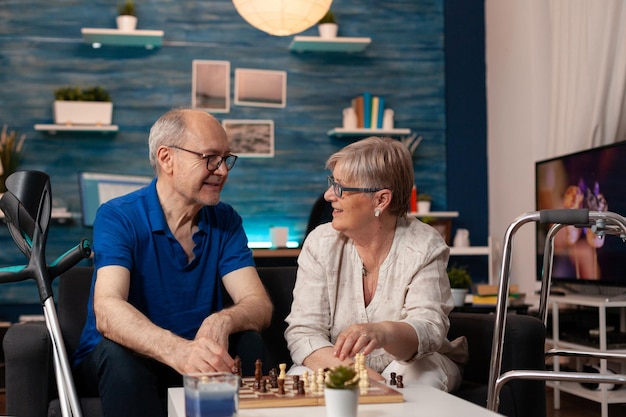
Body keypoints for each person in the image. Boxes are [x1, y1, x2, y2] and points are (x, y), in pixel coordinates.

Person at [72, 108, 273, 417]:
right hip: (127, 358)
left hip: (197, 360)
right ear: (167, 158)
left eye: (226, 159)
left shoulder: (226, 220)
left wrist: (223, 320)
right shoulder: (118, 215)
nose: (222, 171)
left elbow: (258, 304)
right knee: (119, 355)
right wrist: (179, 350)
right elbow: (107, 308)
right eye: (210, 158)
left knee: (249, 341)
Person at [284, 136, 468, 392]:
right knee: (300, 378)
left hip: (414, 363)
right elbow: (304, 332)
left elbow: (428, 329)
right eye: (331, 184)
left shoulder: (424, 244)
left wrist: (383, 332)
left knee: (409, 376)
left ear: (381, 200)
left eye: (341, 188)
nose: (328, 196)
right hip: (340, 363)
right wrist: (360, 377)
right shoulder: (320, 243)